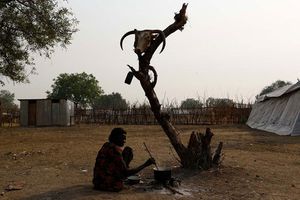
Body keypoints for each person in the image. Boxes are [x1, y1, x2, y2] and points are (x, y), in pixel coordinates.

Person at [93, 127, 155, 192]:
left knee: (128, 150)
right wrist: (146, 164)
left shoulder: (106, 145)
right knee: (121, 181)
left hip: (97, 182)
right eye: (122, 137)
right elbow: (126, 173)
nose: (125, 139)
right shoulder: (115, 151)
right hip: (107, 184)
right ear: (116, 137)